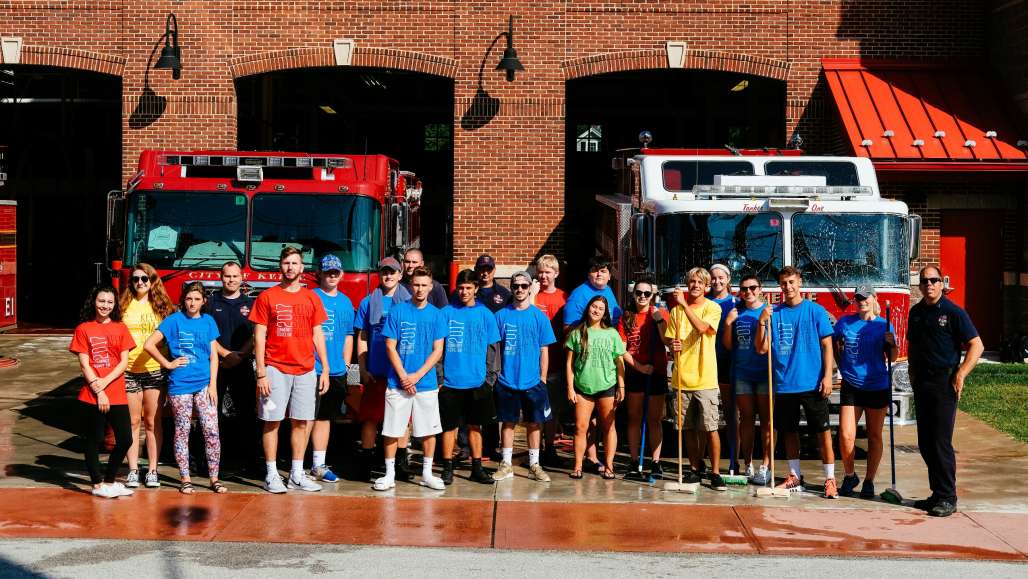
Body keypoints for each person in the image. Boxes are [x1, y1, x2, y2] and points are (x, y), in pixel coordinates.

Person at [250, 247, 330, 494]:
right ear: (280, 266)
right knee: (272, 422)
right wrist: (261, 371)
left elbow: (318, 334)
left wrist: (324, 368)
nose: (290, 267)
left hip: (306, 369)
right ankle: (272, 474)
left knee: (301, 422)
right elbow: (259, 335)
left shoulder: (312, 298)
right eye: (286, 262)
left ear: (302, 267)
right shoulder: (267, 297)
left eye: (295, 263)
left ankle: (297, 473)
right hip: (275, 369)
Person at [907, 265, 984, 517]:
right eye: (924, 281)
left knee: (940, 442)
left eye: (933, 280)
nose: (928, 284)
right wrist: (911, 371)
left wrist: (960, 373)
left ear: (941, 283)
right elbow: (914, 345)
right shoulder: (916, 313)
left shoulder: (953, 312)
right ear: (919, 286)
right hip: (922, 383)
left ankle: (949, 497)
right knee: (925, 443)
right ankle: (937, 494)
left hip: (944, 383)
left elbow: (977, 345)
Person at [756, 266, 837, 498]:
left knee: (822, 432)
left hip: (812, 384)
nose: (788, 287)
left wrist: (827, 376)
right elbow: (762, 349)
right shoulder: (773, 313)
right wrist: (762, 322)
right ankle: (795, 476)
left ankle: (830, 479)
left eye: (792, 282)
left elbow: (827, 345)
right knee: (789, 432)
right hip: (784, 384)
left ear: (799, 282)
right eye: (783, 283)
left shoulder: (815, 311)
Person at [144, 282, 226, 494]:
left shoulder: (208, 321)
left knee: (211, 430)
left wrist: (213, 386)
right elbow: (149, 344)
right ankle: (185, 478)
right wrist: (168, 363)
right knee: (182, 431)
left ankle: (214, 478)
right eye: (189, 298)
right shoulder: (173, 321)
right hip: (180, 385)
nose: (192, 303)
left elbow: (213, 356)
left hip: (204, 385)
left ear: (203, 301)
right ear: (183, 300)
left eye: (197, 299)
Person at [374, 266, 448, 491]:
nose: (420, 289)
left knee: (427, 430)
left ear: (431, 286)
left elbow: (438, 350)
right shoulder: (398, 311)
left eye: (424, 285)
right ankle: (389, 474)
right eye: (416, 284)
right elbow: (390, 345)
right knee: (392, 430)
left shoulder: (437, 314)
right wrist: (404, 376)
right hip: (398, 383)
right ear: (410, 284)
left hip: (425, 383)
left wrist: (416, 375)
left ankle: (426, 473)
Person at [70, 286, 136, 499]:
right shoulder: (84, 328)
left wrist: (105, 384)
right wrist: (99, 392)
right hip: (91, 394)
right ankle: (97, 484)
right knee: (94, 439)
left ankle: (109, 481)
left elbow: (124, 362)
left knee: (125, 439)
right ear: (94, 301)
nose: (105, 305)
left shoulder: (121, 328)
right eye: (101, 301)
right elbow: (84, 364)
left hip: (116, 392)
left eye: (109, 302)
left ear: (115, 304)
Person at [664, 267, 726, 491]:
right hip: (682, 377)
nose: (695, 285)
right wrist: (673, 347)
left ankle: (716, 472)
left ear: (707, 286)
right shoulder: (675, 313)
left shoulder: (713, 308)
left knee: (710, 428)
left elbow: (702, 329)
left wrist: (683, 305)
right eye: (692, 281)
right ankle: (694, 469)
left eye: (700, 282)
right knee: (687, 429)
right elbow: (670, 342)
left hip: (706, 378)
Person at [834, 285, 898, 499]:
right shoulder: (845, 323)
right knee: (845, 435)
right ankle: (850, 474)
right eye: (858, 297)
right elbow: (833, 344)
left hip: (877, 385)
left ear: (874, 298)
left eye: (866, 297)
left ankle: (869, 480)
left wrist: (891, 344)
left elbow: (894, 358)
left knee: (874, 435)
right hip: (851, 384)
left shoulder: (884, 325)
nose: (862, 301)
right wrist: (839, 364)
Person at [354, 257, 413, 481]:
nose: (388, 276)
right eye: (384, 272)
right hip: (376, 371)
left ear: (400, 275)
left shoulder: (409, 302)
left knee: (402, 421)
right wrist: (362, 368)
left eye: (393, 272)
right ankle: (367, 462)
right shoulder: (368, 302)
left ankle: (401, 463)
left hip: (399, 374)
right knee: (370, 419)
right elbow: (362, 336)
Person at [439, 269, 501, 485]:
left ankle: (477, 468)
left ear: (476, 288)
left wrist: (489, 379)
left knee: (476, 426)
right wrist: (440, 378)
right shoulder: (446, 313)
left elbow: (493, 350)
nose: (464, 292)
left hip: (478, 382)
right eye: (461, 287)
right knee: (449, 427)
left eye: (468, 288)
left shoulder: (486, 315)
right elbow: (437, 347)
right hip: (450, 382)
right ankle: (446, 467)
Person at [493, 270, 556, 483]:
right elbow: (494, 348)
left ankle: (534, 464)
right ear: (511, 288)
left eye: (524, 286)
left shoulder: (539, 316)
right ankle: (506, 464)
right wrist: (496, 374)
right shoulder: (501, 316)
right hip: (506, 379)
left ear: (530, 288)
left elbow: (544, 350)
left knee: (534, 423)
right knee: (508, 423)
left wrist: (543, 378)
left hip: (533, 380)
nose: (519, 289)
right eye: (516, 286)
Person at [119, 262, 175, 489]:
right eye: (135, 279)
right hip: (129, 370)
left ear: (153, 281)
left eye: (145, 279)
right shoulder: (122, 306)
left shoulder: (164, 307)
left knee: (153, 422)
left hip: (154, 370)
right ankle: (133, 469)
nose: (140, 283)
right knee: (132, 421)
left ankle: (152, 469)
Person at [566, 295, 627, 479]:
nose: (596, 311)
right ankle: (577, 466)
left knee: (608, 426)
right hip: (583, 387)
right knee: (580, 427)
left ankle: (609, 466)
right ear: (588, 308)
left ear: (604, 313)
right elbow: (569, 364)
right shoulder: (577, 333)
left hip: (607, 385)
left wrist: (621, 387)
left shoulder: (612, 334)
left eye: (600, 308)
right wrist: (570, 388)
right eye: (594, 306)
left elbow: (619, 362)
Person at [205, 261, 256, 471]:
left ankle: (251, 462)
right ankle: (212, 462)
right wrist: (225, 354)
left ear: (242, 278)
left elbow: (257, 334)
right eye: (227, 276)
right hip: (216, 367)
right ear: (221, 277)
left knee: (248, 414)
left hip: (243, 365)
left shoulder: (251, 304)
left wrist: (241, 354)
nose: (231, 280)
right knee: (212, 415)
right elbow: (206, 333)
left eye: (235, 276)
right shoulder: (209, 303)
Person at [721, 274, 772, 485]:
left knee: (768, 421)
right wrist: (728, 324)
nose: (748, 292)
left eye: (752, 288)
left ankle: (766, 466)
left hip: (764, 374)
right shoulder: (736, 313)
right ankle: (748, 463)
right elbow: (728, 345)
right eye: (744, 289)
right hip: (742, 373)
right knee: (747, 420)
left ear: (760, 289)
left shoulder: (770, 312)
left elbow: (768, 347)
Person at [309, 254, 355, 483]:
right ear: (320, 274)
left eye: (336, 272)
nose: (332, 276)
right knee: (306, 417)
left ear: (342, 274)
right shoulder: (311, 297)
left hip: (337, 371)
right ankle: (297, 466)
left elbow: (349, 335)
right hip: (312, 369)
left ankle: (318, 464)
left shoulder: (346, 302)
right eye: (328, 272)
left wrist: (345, 364)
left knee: (325, 417)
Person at [617, 275, 668, 480]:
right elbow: (622, 349)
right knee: (634, 417)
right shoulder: (626, 316)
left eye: (647, 293)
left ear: (653, 295)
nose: (643, 296)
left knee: (655, 419)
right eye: (639, 293)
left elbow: (667, 339)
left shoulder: (660, 313)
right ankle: (633, 460)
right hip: (636, 372)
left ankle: (655, 462)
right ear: (633, 294)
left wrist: (659, 320)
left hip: (657, 372)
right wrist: (639, 366)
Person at [532, 254, 569, 467]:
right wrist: (533, 296)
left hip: (556, 361)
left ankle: (549, 448)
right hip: (533, 362)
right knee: (535, 408)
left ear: (556, 273)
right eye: (541, 271)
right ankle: (534, 451)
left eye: (548, 272)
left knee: (552, 409)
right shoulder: (532, 295)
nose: (544, 275)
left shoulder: (565, 297)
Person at [707, 264, 737, 473]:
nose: (717, 281)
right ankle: (701, 461)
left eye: (721, 278)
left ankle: (735, 459)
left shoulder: (737, 302)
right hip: (706, 362)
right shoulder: (703, 301)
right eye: (713, 278)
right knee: (705, 414)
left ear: (728, 279)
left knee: (730, 413)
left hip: (729, 362)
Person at [563, 256, 622, 328]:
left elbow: (617, 317)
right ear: (588, 275)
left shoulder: (607, 289)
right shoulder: (578, 295)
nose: (599, 274)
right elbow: (568, 328)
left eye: (603, 271)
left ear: (609, 276)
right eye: (595, 270)